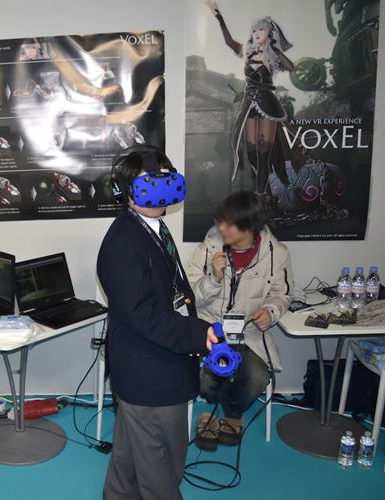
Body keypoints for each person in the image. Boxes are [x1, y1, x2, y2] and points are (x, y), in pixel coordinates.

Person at [98, 147, 218, 500]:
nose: (159, 188)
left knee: (130, 454)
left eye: (164, 178)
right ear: (124, 191)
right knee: (162, 467)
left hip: (156, 360)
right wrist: (197, 333)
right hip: (149, 372)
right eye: (147, 182)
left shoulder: (151, 226)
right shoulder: (123, 244)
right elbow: (144, 315)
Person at [186, 191, 294, 450]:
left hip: (250, 334)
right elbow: (189, 298)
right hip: (211, 328)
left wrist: (270, 311)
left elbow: (283, 294)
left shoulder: (277, 253)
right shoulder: (208, 249)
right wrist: (213, 278)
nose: (221, 227)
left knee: (257, 378)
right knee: (207, 378)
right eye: (221, 220)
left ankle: (231, 415)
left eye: (229, 223)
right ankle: (213, 413)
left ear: (250, 226)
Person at [204, 0, 303, 205]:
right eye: (255, 29)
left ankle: (262, 198)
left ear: (269, 33)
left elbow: (291, 67)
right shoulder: (247, 52)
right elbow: (229, 42)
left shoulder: (273, 56)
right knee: (250, 153)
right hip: (249, 103)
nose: (257, 32)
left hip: (268, 104)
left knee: (263, 152)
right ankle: (268, 189)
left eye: (261, 29)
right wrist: (219, 18)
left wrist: (275, 49)